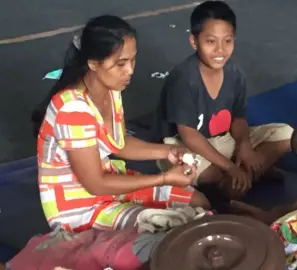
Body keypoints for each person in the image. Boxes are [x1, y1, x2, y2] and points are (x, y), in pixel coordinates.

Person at [31, 15, 210, 233]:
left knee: (198, 203)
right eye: (121, 63)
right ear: (93, 64)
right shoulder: (73, 109)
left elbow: (119, 143)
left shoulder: (111, 89)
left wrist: (169, 151)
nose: (131, 70)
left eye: (132, 60)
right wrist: (163, 178)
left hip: (108, 187)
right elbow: (95, 184)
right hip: (81, 209)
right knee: (170, 228)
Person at [156, 1, 292, 199]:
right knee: (187, 167)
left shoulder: (235, 73)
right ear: (194, 42)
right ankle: (243, 175)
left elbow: (238, 118)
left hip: (223, 140)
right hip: (185, 147)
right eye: (211, 42)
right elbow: (189, 135)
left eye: (227, 41)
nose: (220, 50)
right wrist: (229, 166)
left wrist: (245, 146)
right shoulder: (183, 78)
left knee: (286, 134)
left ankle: (240, 176)